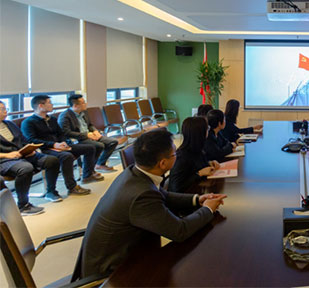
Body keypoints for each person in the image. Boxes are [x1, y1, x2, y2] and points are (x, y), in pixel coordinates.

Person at [78, 129, 226, 278]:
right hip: (112, 272)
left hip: (131, 251)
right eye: (174, 153)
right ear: (163, 163)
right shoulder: (141, 195)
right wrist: (208, 209)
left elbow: (163, 195)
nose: (177, 155)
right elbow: (180, 231)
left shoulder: (134, 172)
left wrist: (197, 199)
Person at [21, 95, 95, 200]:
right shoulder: (28, 122)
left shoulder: (52, 119)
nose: (52, 105)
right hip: (44, 149)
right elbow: (32, 140)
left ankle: (87, 175)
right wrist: (53, 145)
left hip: (59, 146)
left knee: (90, 148)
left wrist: (63, 142)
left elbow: (61, 134)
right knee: (66, 156)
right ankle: (68, 188)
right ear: (41, 106)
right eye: (49, 103)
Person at [0, 100, 60, 215]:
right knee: (25, 168)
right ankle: (23, 205)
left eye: (5, 108)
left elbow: (23, 140)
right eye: (2, 109)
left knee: (51, 160)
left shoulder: (10, 124)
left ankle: (51, 191)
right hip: (4, 160)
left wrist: (29, 149)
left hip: (21, 155)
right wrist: (7, 155)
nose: (5, 111)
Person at [59, 94, 119, 172]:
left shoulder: (84, 112)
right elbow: (66, 133)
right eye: (83, 103)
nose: (86, 104)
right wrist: (86, 135)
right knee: (99, 145)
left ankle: (100, 164)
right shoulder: (65, 116)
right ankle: (89, 170)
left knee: (113, 142)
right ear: (75, 106)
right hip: (78, 139)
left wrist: (95, 131)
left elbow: (90, 125)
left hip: (90, 135)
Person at [168, 117, 220, 193]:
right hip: (187, 196)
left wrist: (209, 163)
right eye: (207, 128)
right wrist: (199, 174)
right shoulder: (181, 157)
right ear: (201, 133)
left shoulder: (197, 149)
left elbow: (197, 166)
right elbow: (176, 188)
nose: (209, 130)